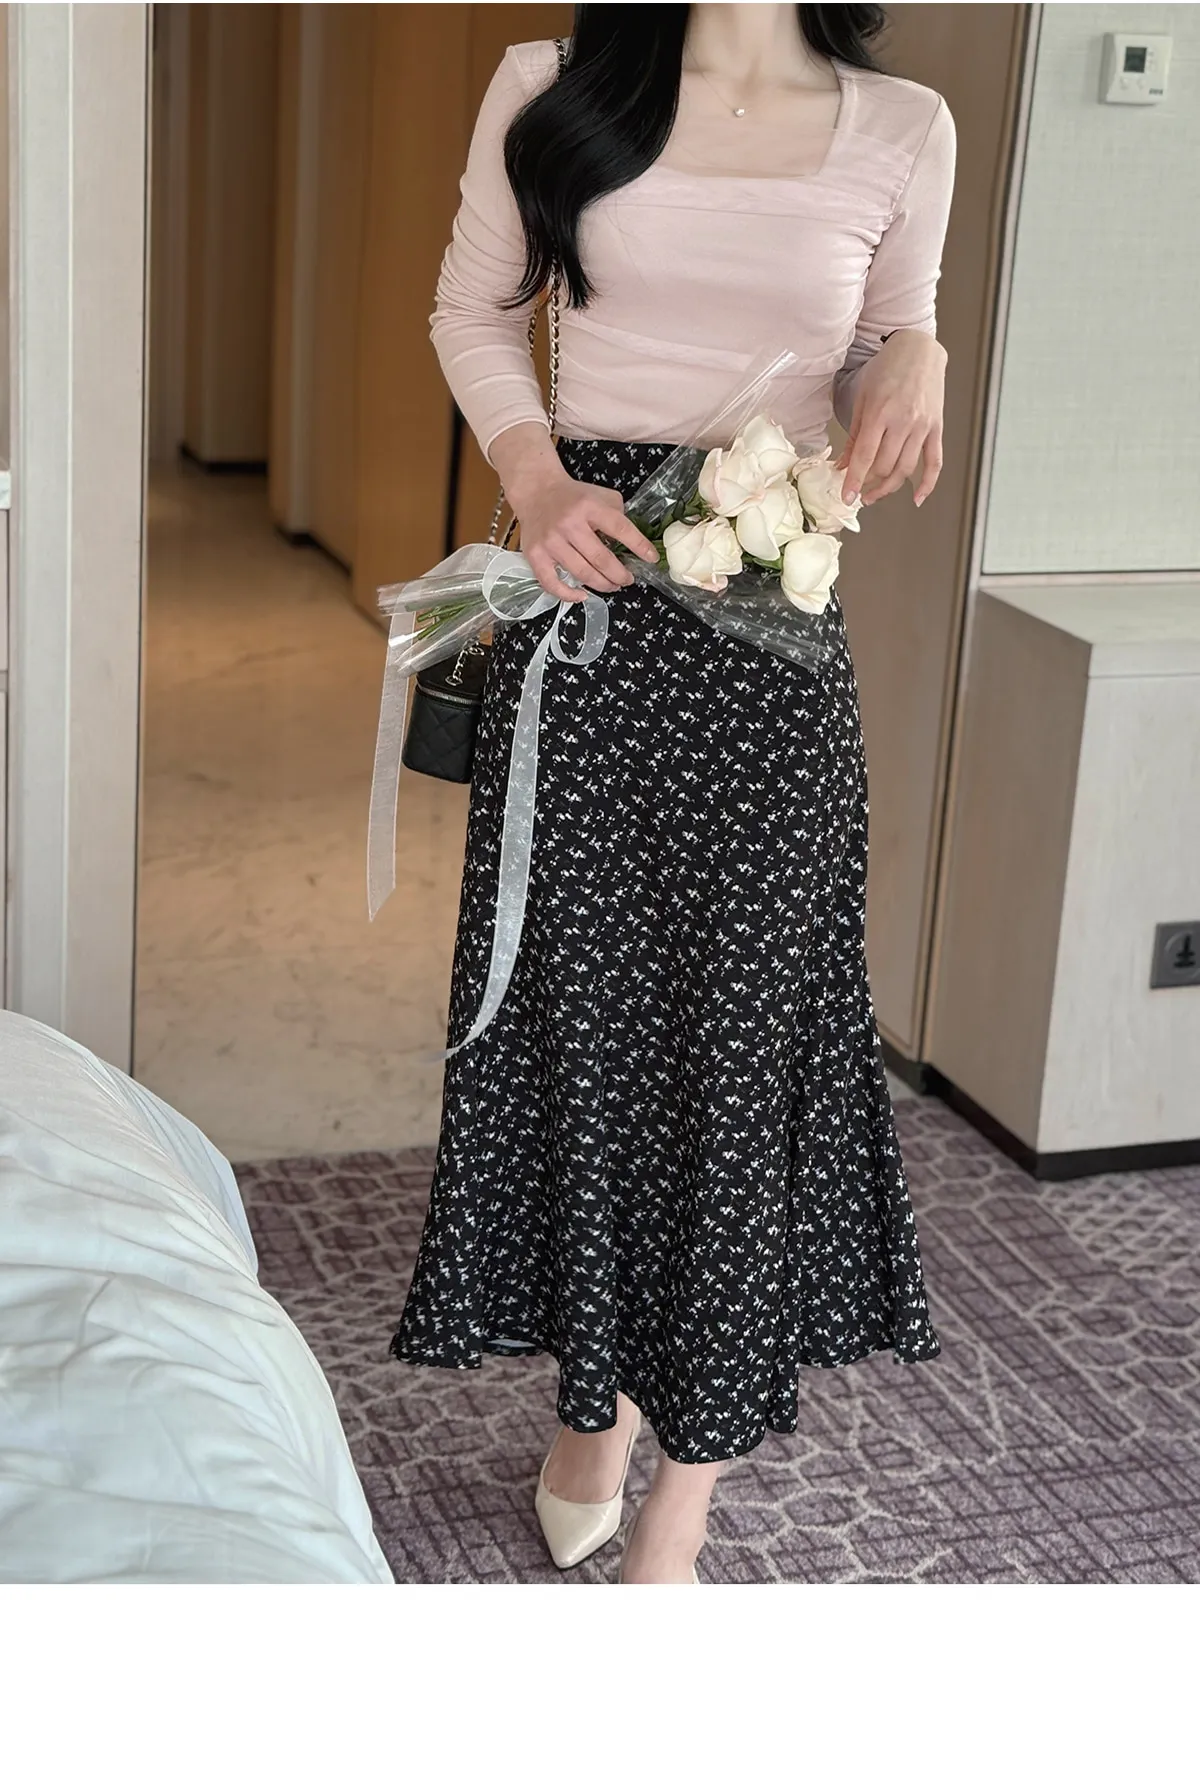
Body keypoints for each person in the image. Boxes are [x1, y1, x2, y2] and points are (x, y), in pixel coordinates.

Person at [389, 2, 956, 1585]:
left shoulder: (905, 127)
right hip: (586, 620)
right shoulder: (554, 86)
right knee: (587, 1029)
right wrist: (532, 474)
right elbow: (471, 308)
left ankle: (684, 1488)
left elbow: (879, 349)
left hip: (772, 654)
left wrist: (917, 346)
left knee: (739, 1053)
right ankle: (595, 1402)